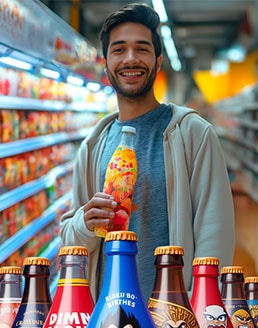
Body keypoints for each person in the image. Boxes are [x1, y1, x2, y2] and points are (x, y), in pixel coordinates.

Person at [60, 3, 235, 303]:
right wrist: (84, 223)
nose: (130, 59)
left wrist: (196, 311)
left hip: (175, 318)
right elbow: (69, 238)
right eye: (119, 50)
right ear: (105, 63)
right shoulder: (93, 146)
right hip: (109, 320)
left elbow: (214, 234)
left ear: (158, 60)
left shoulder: (193, 133)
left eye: (141, 49)